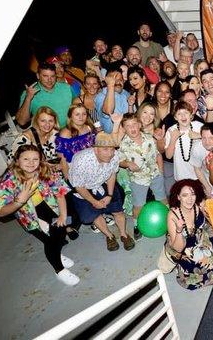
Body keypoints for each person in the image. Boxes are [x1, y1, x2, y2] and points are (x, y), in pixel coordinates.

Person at [0, 145, 79, 285]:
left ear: (40, 160)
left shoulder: (45, 171)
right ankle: (59, 270)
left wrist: (63, 216)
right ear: (17, 160)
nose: (31, 162)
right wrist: (18, 202)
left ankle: (56, 252)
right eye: (26, 159)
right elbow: (0, 212)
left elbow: (60, 192)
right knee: (49, 241)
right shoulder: (9, 181)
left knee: (59, 231)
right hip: (28, 216)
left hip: (47, 206)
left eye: (35, 159)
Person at [68, 132, 135, 252]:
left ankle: (124, 234)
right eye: (105, 149)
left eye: (112, 149)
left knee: (117, 209)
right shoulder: (81, 160)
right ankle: (109, 236)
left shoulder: (114, 156)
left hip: (103, 183)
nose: (110, 154)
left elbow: (112, 174)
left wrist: (109, 195)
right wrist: (94, 201)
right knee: (92, 215)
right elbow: (78, 187)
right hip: (85, 189)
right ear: (95, 149)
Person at [166, 179, 213, 290]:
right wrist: (178, 230)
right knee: (195, 270)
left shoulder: (197, 207)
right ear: (178, 197)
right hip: (181, 245)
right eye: (185, 195)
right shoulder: (173, 215)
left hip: (198, 239)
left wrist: (206, 213)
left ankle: (205, 274)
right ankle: (186, 271)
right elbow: (178, 248)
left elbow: (208, 225)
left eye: (193, 194)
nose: (190, 199)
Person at [118, 113, 166, 241]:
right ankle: (136, 226)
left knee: (162, 199)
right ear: (124, 128)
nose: (132, 128)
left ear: (139, 125)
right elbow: (119, 161)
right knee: (138, 205)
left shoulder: (150, 138)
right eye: (128, 126)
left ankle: (169, 221)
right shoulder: (123, 145)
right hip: (138, 179)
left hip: (155, 174)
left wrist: (160, 171)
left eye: (134, 124)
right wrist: (127, 163)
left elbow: (158, 155)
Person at [16, 62, 74, 127]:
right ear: (38, 76)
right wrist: (28, 98)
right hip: (47, 134)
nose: (49, 80)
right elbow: (21, 121)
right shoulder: (30, 92)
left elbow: (77, 107)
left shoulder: (66, 88)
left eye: (52, 76)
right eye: (45, 76)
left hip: (70, 130)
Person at [164, 101, 204, 184]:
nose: (183, 116)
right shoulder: (171, 130)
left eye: (186, 112)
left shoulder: (199, 126)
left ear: (191, 115)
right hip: (180, 176)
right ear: (175, 117)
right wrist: (173, 139)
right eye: (179, 114)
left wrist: (199, 135)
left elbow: (212, 141)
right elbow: (168, 156)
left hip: (200, 175)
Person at [55, 104, 96, 179]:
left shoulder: (89, 128)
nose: (81, 117)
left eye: (84, 114)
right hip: (74, 170)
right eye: (77, 114)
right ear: (70, 116)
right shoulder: (65, 134)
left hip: (92, 167)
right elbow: (62, 160)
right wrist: (68, 178)